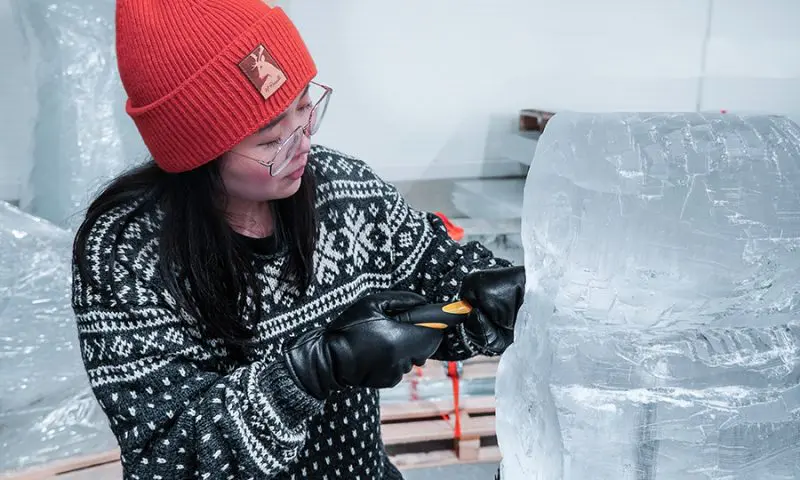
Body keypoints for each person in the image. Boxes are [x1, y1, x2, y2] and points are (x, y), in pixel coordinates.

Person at [70, 0, 525, 478]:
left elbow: (437, 276)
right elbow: (169, 454)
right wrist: (311, 372)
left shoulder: (342, 187)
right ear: (195, 154)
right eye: (271, 140)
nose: (303, 141)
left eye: (305, 108)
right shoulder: (124, 253)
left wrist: (491, 293)